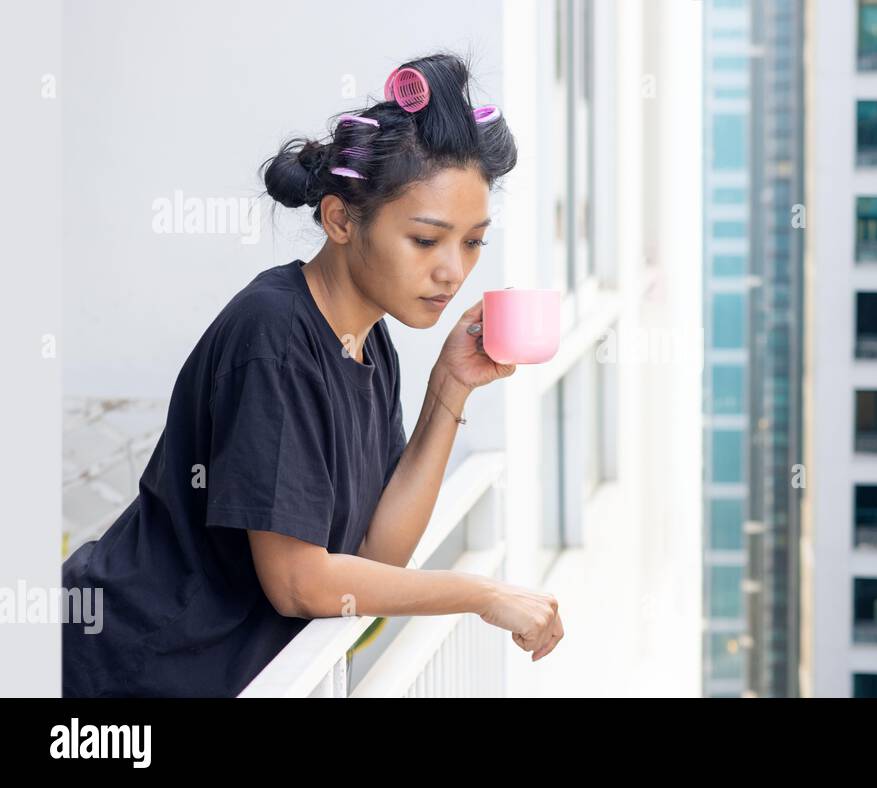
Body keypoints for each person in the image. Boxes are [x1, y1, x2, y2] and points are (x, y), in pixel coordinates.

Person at [62, 52, 563, 697]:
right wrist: (481, 594)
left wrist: (450, 387)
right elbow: (298, 582)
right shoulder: (274, 335)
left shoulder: (368, 337)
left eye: (472, 242)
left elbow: (375, 557)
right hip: (120, 674)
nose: (452, 271)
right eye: (425, 239)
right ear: (341, 219)